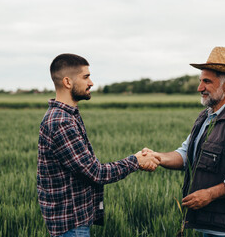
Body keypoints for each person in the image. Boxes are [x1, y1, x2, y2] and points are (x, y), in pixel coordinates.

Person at [143, 47, 225, 236]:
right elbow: (186, 154)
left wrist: (209, 194)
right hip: (210, 225)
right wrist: (158, 157)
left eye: (207, 81)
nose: (200, 88)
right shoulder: (206, 118)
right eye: (201, 81)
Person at [37, 53, 160, 237]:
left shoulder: (67, 116)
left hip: (73, 223)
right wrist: (136, 161)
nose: (91, 82)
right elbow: (95, 173)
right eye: (86, 77)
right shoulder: (61, 122)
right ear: (68, 82)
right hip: (72, 226)